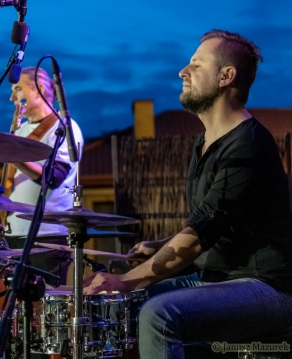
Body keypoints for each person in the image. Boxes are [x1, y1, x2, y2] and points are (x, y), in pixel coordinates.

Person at [83, 29, 292, 358]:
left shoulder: (248, 145)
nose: (183, 71)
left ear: (226, 76)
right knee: (120, 307)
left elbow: (199, 235)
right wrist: (157, 248)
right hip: (215, 278)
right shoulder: (205, 142)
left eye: (196, 64)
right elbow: (216, 227)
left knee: (158, 314)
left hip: (266, 287)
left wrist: (126, 280)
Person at [5, 67, 84, 284]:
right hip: (13, 235)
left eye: (18, 89)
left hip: (47, 236)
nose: (12, 97)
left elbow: (54, 177)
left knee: (47, 307)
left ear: (39, 89)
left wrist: (12, 155)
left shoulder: (64, 128)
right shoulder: (19, 132)